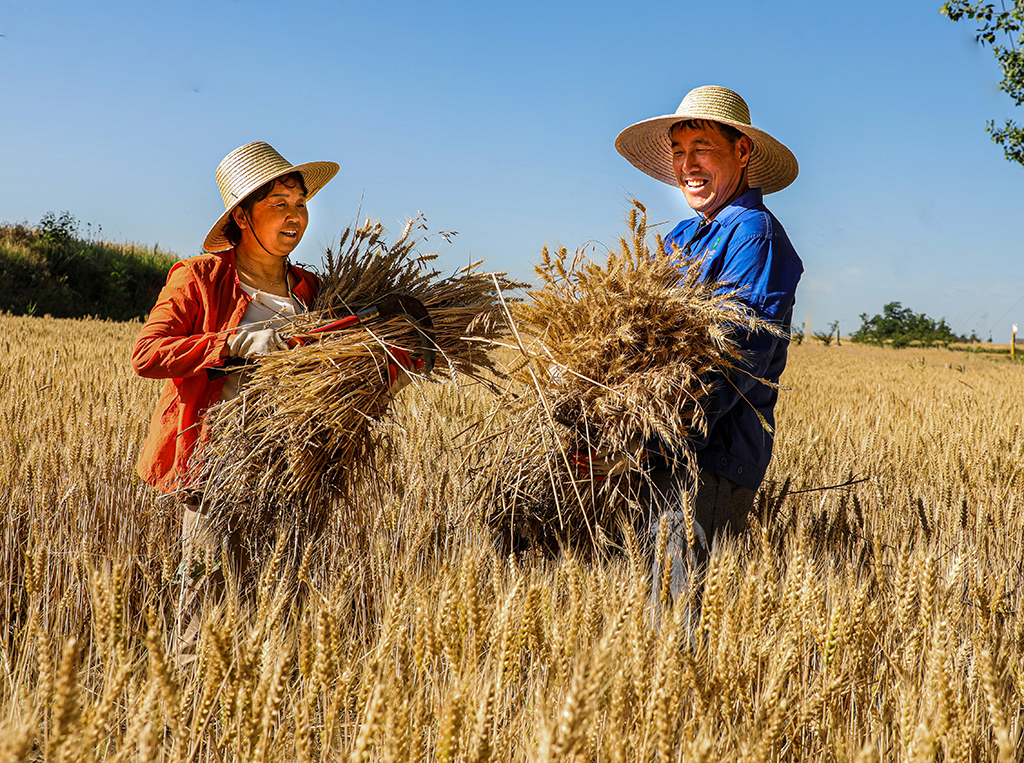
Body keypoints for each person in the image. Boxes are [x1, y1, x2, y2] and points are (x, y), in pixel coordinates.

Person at [614, 85, 803, 606]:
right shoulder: (680, 236)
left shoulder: (755, 236)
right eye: (678, 152)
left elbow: (737, 353)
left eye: (701, 148)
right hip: (656, 447)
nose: (687, 165)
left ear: (742, 152)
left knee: (676, 617)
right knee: (647, 609)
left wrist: (654, 428)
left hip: (710, 455)